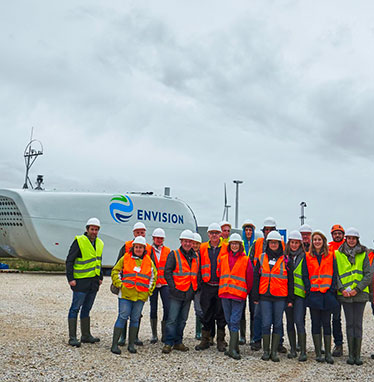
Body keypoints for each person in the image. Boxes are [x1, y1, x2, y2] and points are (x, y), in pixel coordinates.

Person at [110, 236, 157, 354]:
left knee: (135, 319)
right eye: (136, 247)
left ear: (144, 249)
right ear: (133, 247)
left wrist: (149, 291)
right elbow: (115, 271)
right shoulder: (125, 258)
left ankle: (131, 345)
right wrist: (119, 284)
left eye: (141, 247)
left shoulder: (149, 261)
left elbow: (153, 277)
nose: (138, 249)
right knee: (122, 317)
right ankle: (114, 345)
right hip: (126, 294)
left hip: (140, 296)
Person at [252, 231, 294, 362]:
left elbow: (291, 280)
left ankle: (274, 352)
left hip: (280, 297)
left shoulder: (286, 259)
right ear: (268, 243)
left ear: (280, 244)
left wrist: (290, 299)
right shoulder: (261, 257)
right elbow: (256, 278)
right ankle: (266, 351)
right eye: (271, 242)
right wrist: (255, 296)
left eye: (275, 242)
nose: (273, 244)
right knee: (265, 323)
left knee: (277, 323)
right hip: (265, 296)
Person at [249, 217, 286, 352]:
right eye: (266, 229)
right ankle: (257, 340)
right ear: (263, 230)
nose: (268, 231)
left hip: (278, 291)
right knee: (258, 316)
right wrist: (255, 292)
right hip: (262, 288)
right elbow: (251, 264)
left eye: (271, 229)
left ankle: (278, 343)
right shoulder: (257, 244)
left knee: (277, 320)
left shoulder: (282, 247)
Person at [335, 227, 371, 365]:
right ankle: (350, 355)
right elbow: (336, 274)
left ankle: (358, 355)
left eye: (353, 238)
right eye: (349, 238)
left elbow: (368, 274)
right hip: (345, 294)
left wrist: (357, 289)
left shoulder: (363, 253)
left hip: (360, 294)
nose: (351, 240)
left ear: (357, 240)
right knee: (349, 323)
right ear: (346, 239)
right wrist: (342, 289)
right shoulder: (338, 254)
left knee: (358, 324)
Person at [66, 217, 103, 347]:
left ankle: (86, 335)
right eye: (92, 229)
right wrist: (70, 278)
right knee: (75, 308)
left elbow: (99, 261)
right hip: (80, 282)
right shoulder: (79, 241)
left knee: (87, 309)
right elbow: (70, 260)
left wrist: (100, 277)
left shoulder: (100, 243)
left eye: (96, 229)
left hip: (93, 282)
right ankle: (72, 337)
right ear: (87, 229)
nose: (94, 231)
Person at [302, 230, 338, 364]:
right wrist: (308, 290)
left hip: (327, 294)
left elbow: (334, 273)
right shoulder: (307, 256)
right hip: (314, 294)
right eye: (315, 239)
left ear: (323, 241)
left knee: (327, 323)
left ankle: (328, 353)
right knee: (315, 323)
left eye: (319, 239)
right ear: (312, 242)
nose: (317, 242)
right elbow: (305, 275)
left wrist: (332, 289)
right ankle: (318, 353)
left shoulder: (331, 255)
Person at [162, 230, 200, 354]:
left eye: (190, 241)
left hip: (188, 293)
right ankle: (168, 343)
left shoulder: (195, 257)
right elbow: (167, 272)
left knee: (183, 320)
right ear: (181, 241)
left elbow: (196, 274)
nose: (187, 244)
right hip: (176, 293)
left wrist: (194, 289)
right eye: (185, 241)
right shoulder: (174, 254)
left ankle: (178, 342)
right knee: (172, 319)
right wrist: (173, 287)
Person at [116, 221, 152, 347]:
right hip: (127, 288)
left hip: (140, 289)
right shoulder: (126, 246)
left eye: (142, 232)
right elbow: (118, 266)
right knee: (123, 314)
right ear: (134, 233)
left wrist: (148, 289)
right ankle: (122, 337)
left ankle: (134, 337)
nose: (140, 234)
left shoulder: (148, 248)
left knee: (137, 315)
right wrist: (119, 284)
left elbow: (151, 269)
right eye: (138, 232)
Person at [217, 233, 253, 360]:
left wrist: (244, 291)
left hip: (238, 296)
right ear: (229, 245)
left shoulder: (246, 259)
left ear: (240, 245)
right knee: (228, 320)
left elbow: (250, 278)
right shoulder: (223, 258)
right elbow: (219, 272)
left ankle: (232, 349)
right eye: (232, 243)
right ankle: (235, 347)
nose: (234, 246)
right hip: (225, 294)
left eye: (236, 244)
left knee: (234, 320)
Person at [195, 223, 228, 352]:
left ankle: (221, 340)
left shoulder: (226, 247)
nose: (214, 235)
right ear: (208, 234)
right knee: (206, 313)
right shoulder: (202, 247)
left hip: (221, 285)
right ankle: (206, 339)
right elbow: (197, 266)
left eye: (216, 233)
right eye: (212, 233)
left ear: (220, 234)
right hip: (207, 286)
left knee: (221, 314)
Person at [284, 230, 307, 361]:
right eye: (292, 242)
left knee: (299, 321)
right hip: (287, 294)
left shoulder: (305, 256)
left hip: (300, 294)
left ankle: (302, 351)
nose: (294, 245)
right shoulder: (284, 257)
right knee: (289, 322)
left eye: (296, 243)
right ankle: (293, 349)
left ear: (300, 244)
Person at [149, 228, 170, 344]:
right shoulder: (148, 250)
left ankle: (164, 333)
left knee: (167, 307)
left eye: (161, 238)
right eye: (157, 238)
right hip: (153, 283)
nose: (159, 240)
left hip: (164, 283)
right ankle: (154, 334)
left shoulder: (168, 251)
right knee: (153, 308)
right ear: (153, 238)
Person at [328, 224, 345, 357]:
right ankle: (338, 344)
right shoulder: (329, 248)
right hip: (334, 290)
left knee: (353, 321)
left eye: (339, 233)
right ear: (332, 235)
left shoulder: (349, 246)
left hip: (348, 289)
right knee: (335, 318)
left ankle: (353, 345)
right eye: (335, 233)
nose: (337, 235)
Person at [240, 219, 256, 345]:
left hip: (253, 281)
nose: (248, 232)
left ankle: (253, 335)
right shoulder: (240, 244)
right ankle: (242, 335)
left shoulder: (256, 244)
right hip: (240, 280)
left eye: (250, 230)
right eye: (246, 230)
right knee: (240, 309)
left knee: (253, 310)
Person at [192, 232, 203, 340]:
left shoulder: (202, 255)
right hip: (188, 285)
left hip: (198, 287)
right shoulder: (187, 254)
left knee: (199, 310)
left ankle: (199, 331)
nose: (195, 246)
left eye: (197, 244)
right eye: (193, 243)